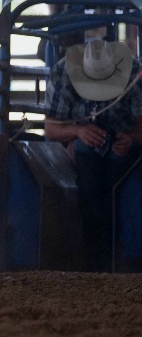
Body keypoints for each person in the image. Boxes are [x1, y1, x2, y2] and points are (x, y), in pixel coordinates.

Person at [44, 38, 142, 272]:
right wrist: (78, 131)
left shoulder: (135, 73)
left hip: (125, 144)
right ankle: (97, 261)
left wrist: (131, 139)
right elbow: (51, 128)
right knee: (89, 185)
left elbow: (141, 125)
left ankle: (116, 258)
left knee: (116, 191)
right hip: (83, 145)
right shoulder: (62, 73)